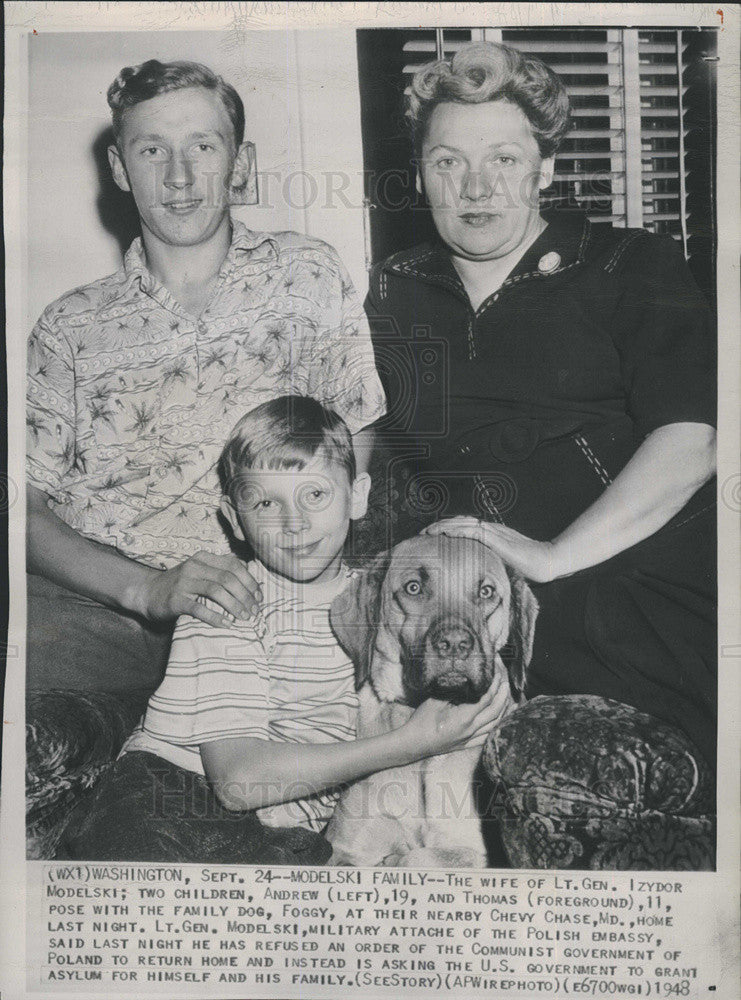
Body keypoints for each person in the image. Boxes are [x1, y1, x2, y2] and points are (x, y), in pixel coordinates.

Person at [365, 42, 717, 767]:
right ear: (420, 175)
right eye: (446, 162)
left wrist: (553, 558)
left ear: (545, 168)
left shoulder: (627, 262)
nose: (475, 186)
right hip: (468, 613)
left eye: (503, 159)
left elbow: (692, 440)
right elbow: (355, 445)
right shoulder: (395, 291)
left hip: (622, 595)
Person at [26, 60, 385, 693]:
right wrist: (145, 589)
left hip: (263, 600)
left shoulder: (307, 276)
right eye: (152, 150)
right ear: (118, 169)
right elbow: (21, 511)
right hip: (99, 612)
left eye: (203, 146)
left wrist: (294, 572)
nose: (180, 177)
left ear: (240, 164)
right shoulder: (67, 327)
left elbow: (352, 439)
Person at [57, 396, 507, 862]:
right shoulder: (228, 596)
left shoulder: (382, 599)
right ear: (234, 519)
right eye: (268, 502)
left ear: (357, 495)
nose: (295, 524)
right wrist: (406, 745)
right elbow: (237, 781)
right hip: (171, 795)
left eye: (315, 495)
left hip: (287, 830)